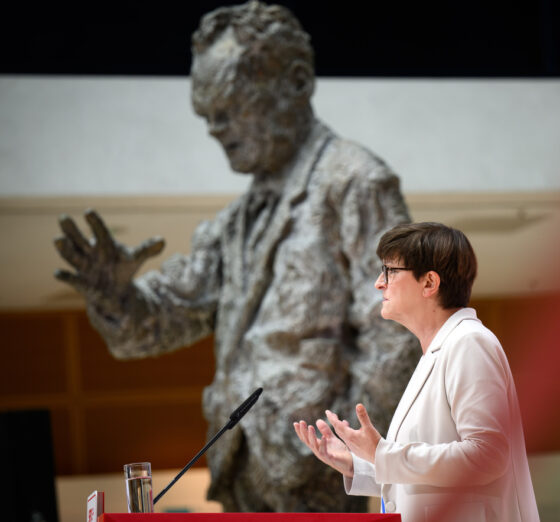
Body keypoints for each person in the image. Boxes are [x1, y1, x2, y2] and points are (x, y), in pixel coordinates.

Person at [52, 1, 420, 513]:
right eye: (208, 116)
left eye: (230, 107)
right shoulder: (236, 222)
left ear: (294, 82)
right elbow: (163, 319)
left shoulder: (354, 182)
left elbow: (396, 331)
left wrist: (357, 466)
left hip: (323, 480)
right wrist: (117, 295)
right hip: (242, 475)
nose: (215, 127)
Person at [294, 222, 540, 522]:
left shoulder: (468, 342)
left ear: (429, 283)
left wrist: (382, 454)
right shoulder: (437, 351)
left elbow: (487, 457)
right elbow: (427, 478)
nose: (378, 283)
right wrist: (356, 464)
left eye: (390, 271)